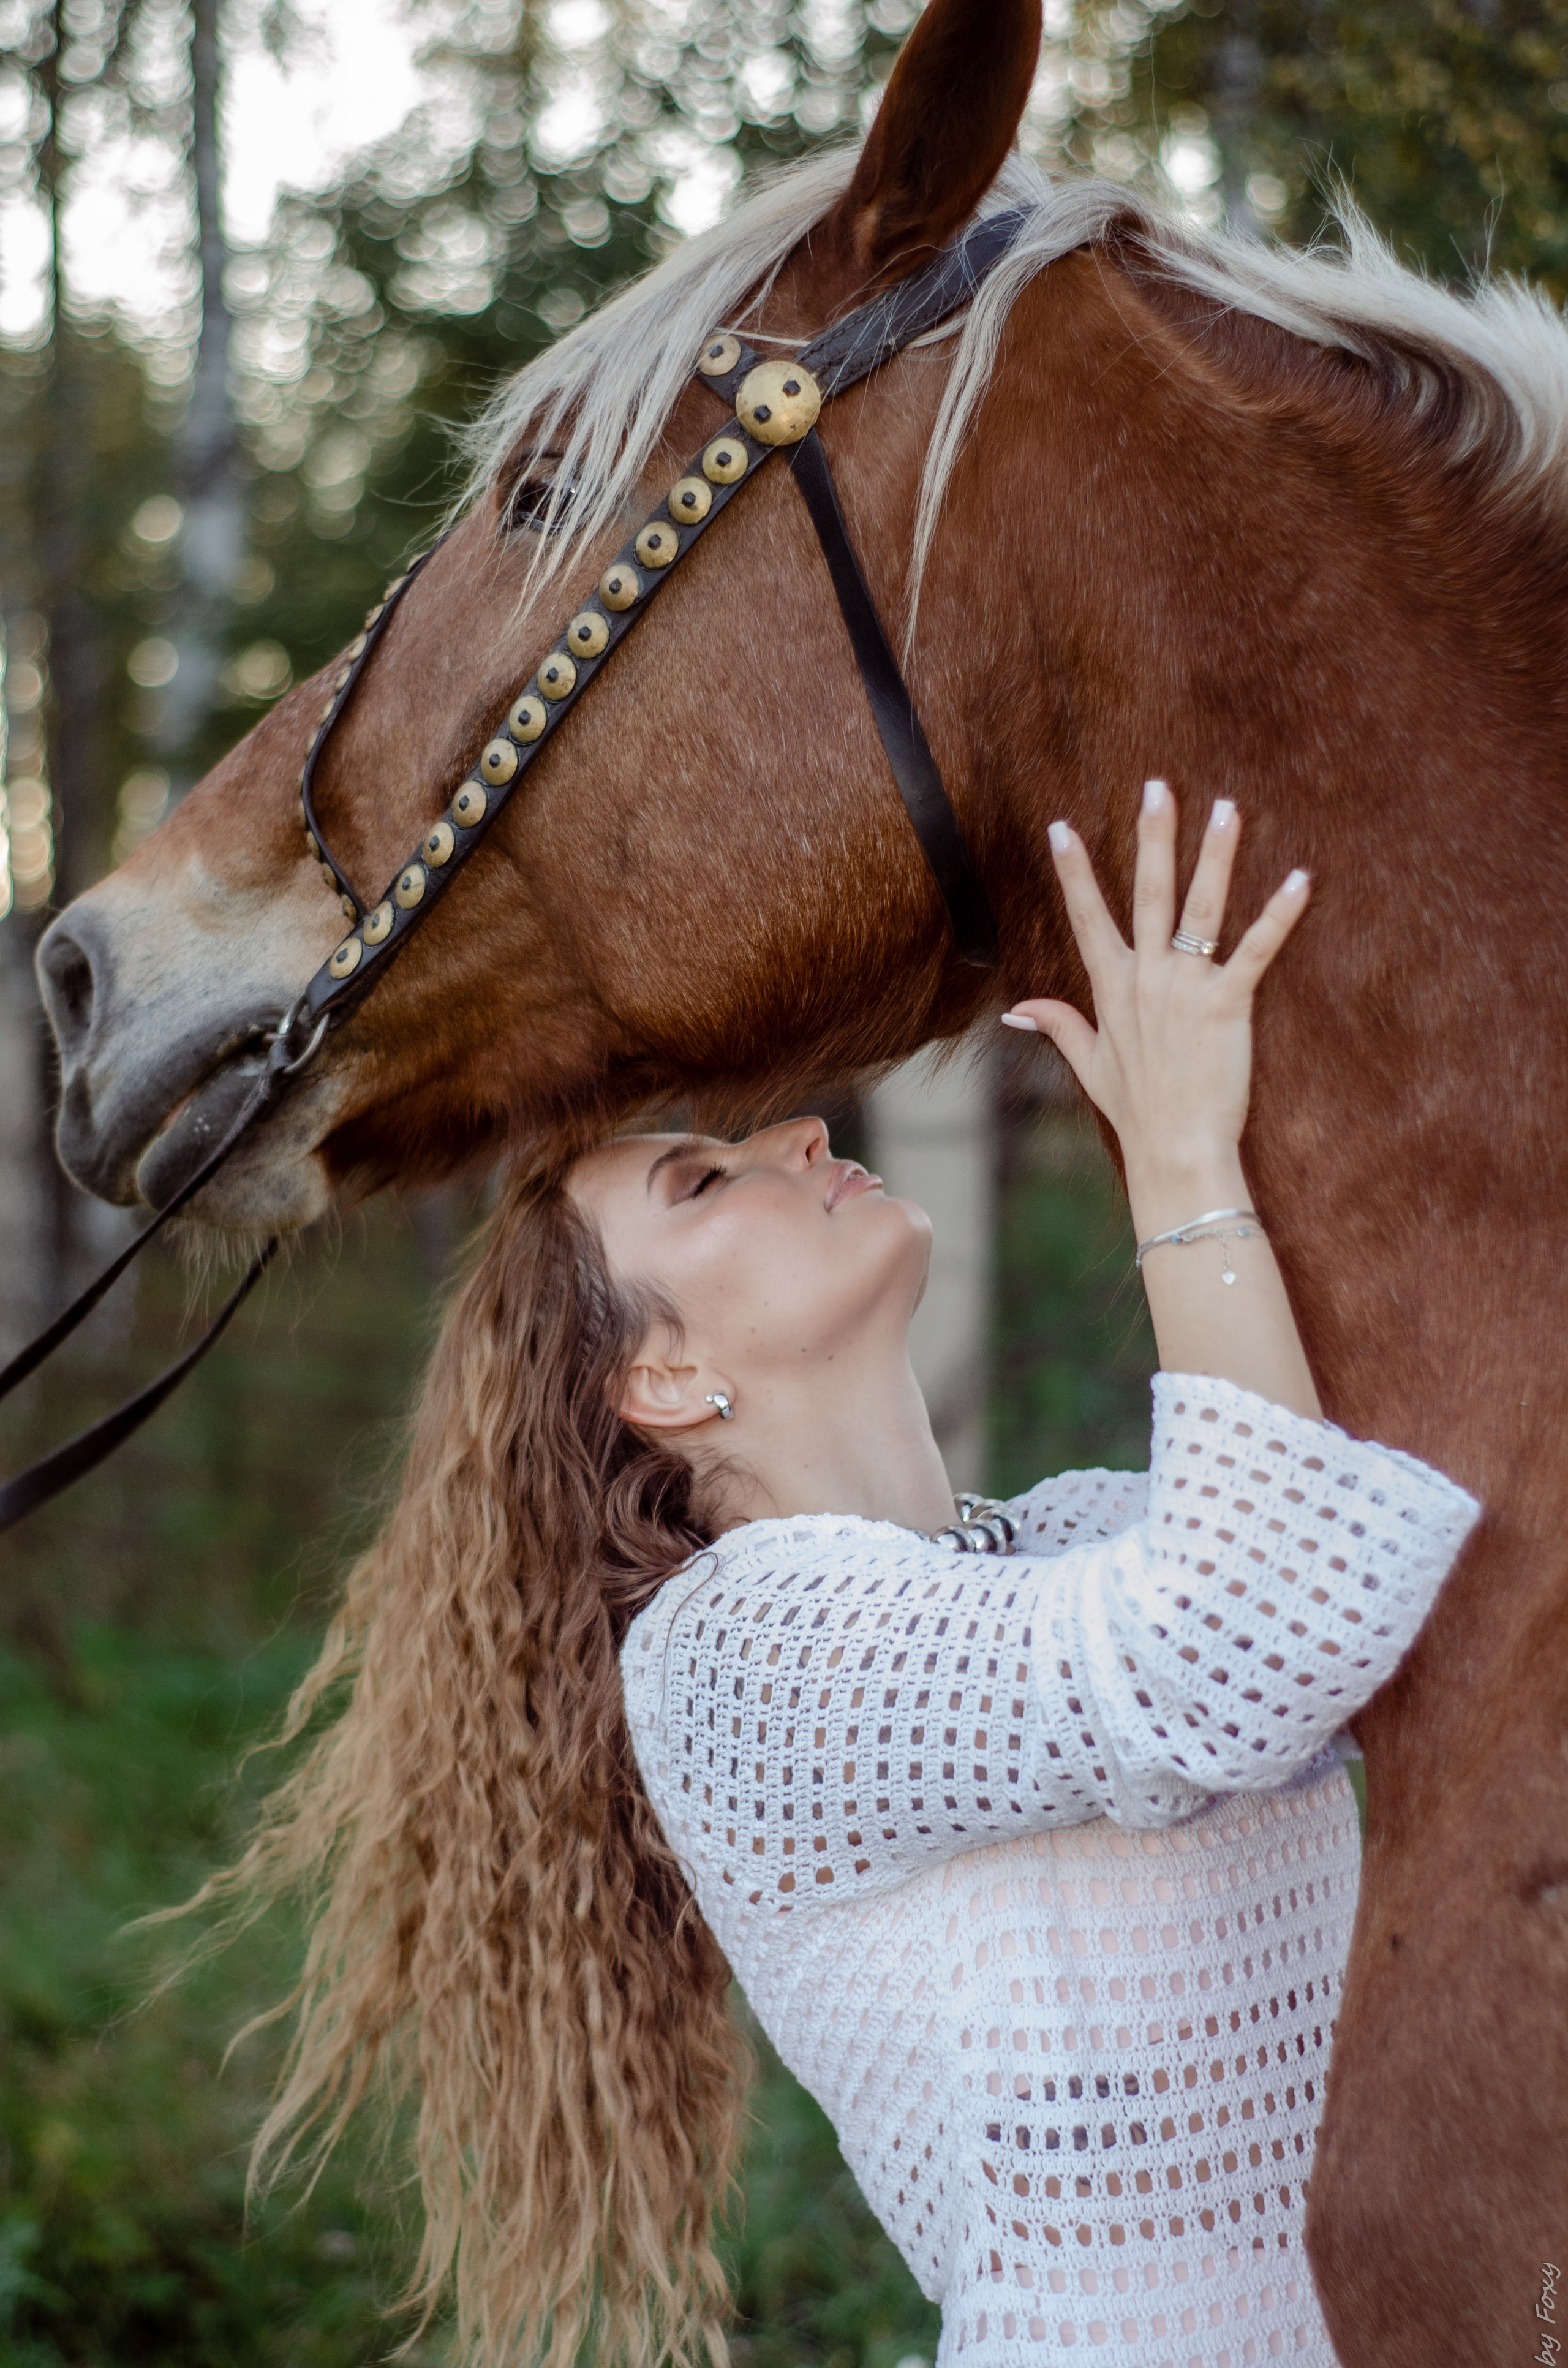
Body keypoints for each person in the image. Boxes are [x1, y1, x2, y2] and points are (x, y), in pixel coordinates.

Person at [220, 784, 1478, 2368]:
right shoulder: (736, 1662)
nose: (804, 1132)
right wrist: (1175, 1149)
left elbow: (1404, 1593)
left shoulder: (1079, 1534)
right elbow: (1234, 1644)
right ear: (662, 1379)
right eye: (703, 1179)